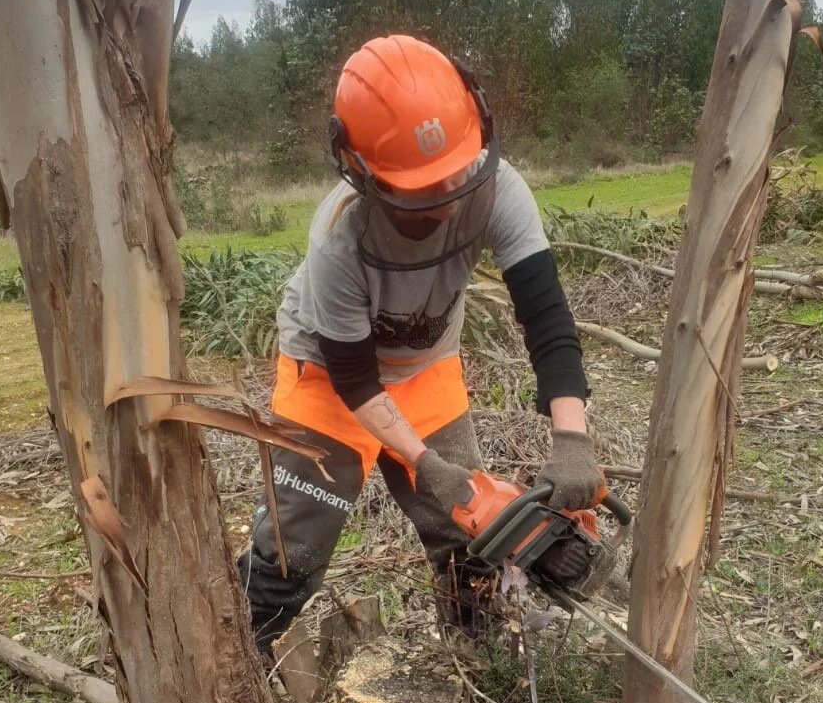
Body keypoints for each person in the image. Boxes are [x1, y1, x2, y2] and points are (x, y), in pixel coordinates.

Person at [237, 33, 604, 647]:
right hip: (328, 380)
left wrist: (571, 438)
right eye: (420, 191)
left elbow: (546, 317)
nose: (445, 199)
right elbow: (355, 380)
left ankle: (477, 663)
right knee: (289, 560)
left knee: (471, 540)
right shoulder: (339, 236)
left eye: (455, 177)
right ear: (359, 169)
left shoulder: (500, 190)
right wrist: (427, 466)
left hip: (425, 370)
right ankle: (231, 675)